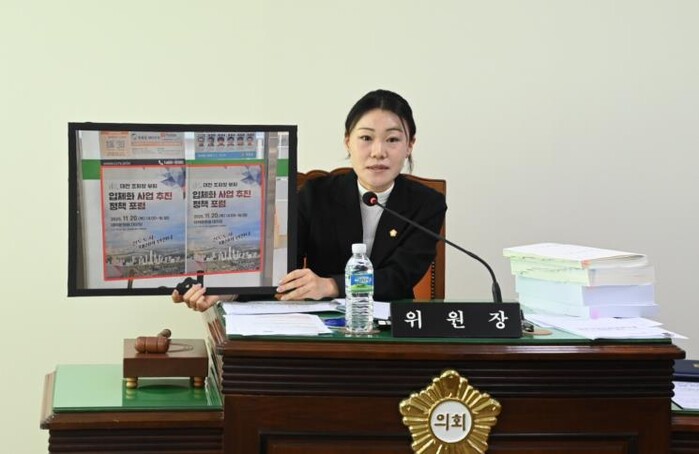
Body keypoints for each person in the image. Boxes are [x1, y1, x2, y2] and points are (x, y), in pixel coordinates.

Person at [173, 89, 447, 311]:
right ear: (348, 141)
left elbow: (400, 277)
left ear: (410, 145)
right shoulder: (316, 195)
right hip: (320, 327)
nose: (378, 152)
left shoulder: (427, 204)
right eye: (366, 137)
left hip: (392, 330)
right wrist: (226, 292)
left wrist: (331, 285)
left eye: (392, 140)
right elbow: (282, 271)